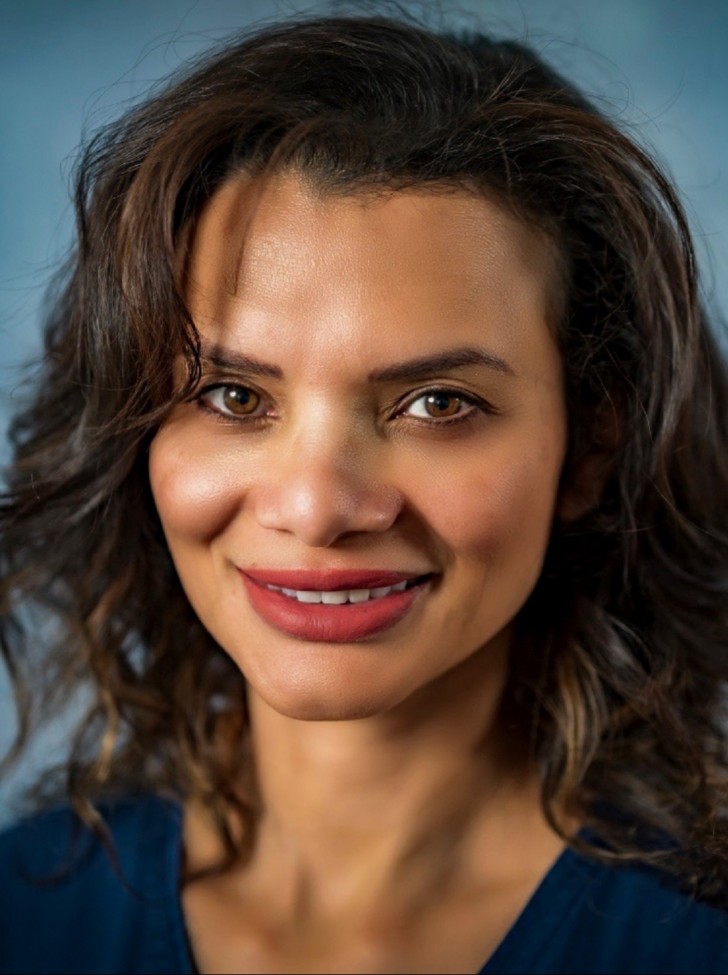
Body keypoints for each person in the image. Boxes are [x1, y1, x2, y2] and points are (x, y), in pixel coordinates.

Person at [1, 11, 728, 974]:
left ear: (590, 449)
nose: (315, 506)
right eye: (233, 395)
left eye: (438, 402)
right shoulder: (23, 913)